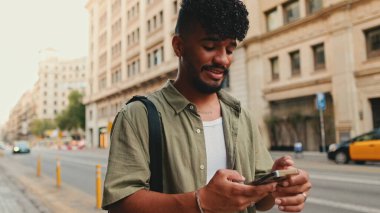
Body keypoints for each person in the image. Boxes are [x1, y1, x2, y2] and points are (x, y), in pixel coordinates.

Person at [102, 0, 311, 212]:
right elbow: (120, 204)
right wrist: (200, 202)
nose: (223, 60)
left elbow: (260, 202)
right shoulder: (137, 116)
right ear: (179, 46)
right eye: (210, 47)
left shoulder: (241, 115)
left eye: (230, 50)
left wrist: (277, 187)